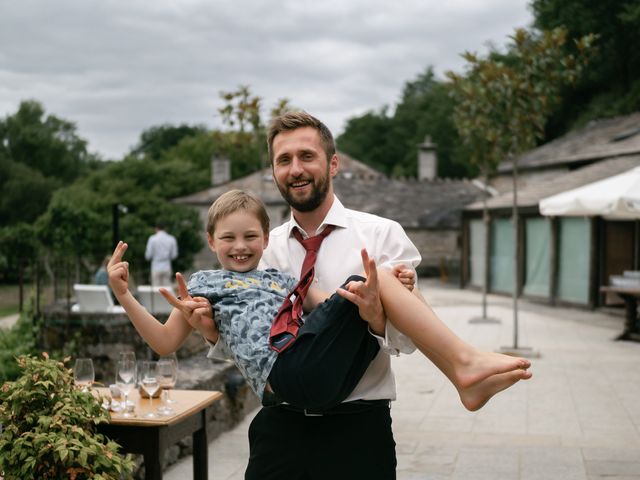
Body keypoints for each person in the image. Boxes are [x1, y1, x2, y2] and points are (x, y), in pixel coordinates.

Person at [147, 112, 531, 479]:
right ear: (274, 172)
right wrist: (211, 332)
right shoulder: (261, 246)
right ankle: (464, 366)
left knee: (375, 281)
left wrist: (377, 319)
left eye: (307, 156)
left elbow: (411, 339)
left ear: (333, 164)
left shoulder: (382, 235)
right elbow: (251, 341)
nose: (295, 168)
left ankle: (464, 365)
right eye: (284, 159)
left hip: (359, 430)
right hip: (280, 429)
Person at [107, 191, 530, 417]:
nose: (240, 247)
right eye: (228, 238)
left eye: (251, 237)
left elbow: (329, 304)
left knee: (370, 282)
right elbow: (164, 344)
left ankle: (463, 376)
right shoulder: (205, 283)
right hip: (286, 379)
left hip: (331, 382)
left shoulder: (280, 276)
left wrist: (384, 293)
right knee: (374, 277)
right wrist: (124, 295)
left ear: (266, 237)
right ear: (210, 241)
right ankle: (465, 365)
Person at [144, 222, 178, 287]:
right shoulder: (171, 238)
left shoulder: (152, 239)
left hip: (155, 266)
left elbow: (148, 255)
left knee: (156, 289)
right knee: (167, 289)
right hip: (167, 265)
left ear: (156, 228)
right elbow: (174, 255)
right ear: (165, 228)